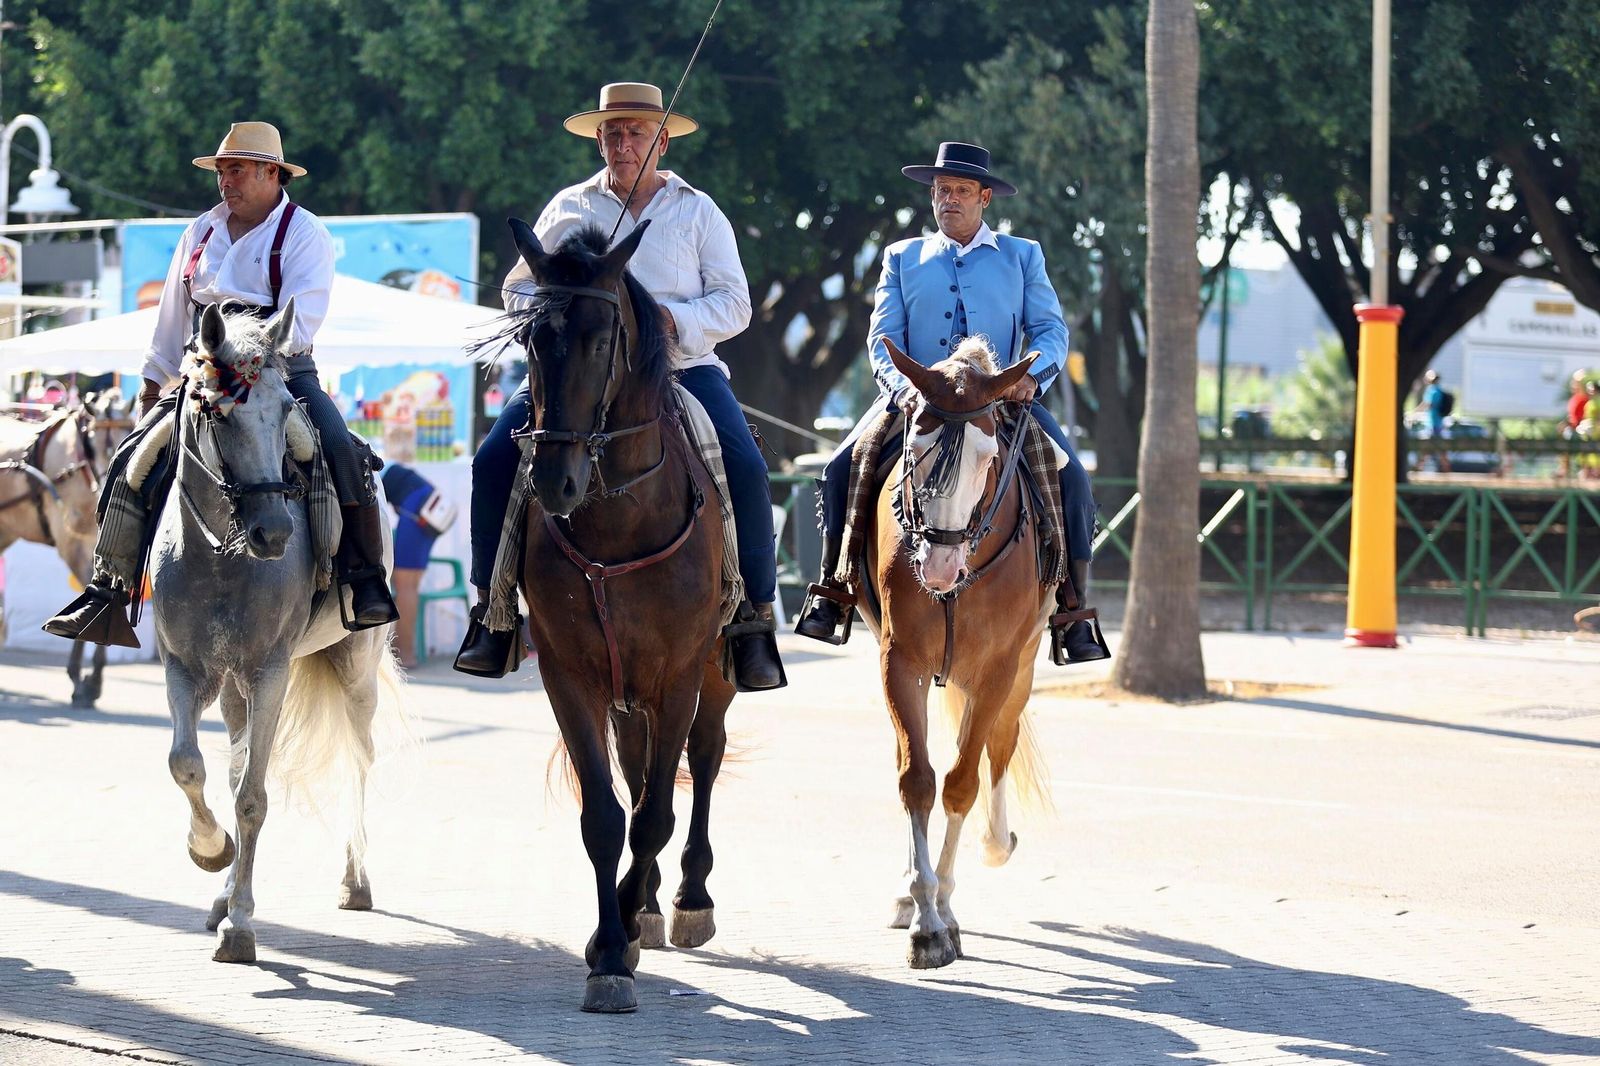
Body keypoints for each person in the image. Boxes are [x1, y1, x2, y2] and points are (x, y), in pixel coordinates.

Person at [453, 82, 785, 689]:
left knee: (744, 464)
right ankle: (494, 612)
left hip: (683, 368)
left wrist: (673, 321)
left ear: (661, 141)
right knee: (494, 456)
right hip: (579, 371)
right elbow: (516, 289)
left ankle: (752, 618)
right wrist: (561, 316)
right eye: (613, 133)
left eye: (635, 133)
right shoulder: (569, 207)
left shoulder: (697, 209)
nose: (623, 143)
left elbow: (736, 303)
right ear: (599, 140)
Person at [43, 122, 398, 646]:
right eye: (221, 170)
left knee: (340, 451)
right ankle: (110, 589)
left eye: (235, 170)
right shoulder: (199, 233)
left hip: (280, 371)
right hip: (202, 371)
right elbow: (171, 320)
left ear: (270, 172)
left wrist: (250, 356)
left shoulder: (304, 232)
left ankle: (363, 581)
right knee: (129, 463)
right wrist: (150, 387)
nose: (224, 181)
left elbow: (301, 321)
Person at [793, 141, 1107, 664]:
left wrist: (1035, 376)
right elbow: (882, 338)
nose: (949, 200)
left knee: (1072, 475)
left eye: (961, 191)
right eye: (941, 191)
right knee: (837, 467)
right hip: (920, 402)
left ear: (985, 198)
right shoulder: (901, 257)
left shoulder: (1022, 255)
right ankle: (833, 591)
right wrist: (904, 391)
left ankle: (1072, 611)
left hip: (1000, 402)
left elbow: (1051, 331)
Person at [381, 461, 453, 668]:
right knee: (407, 587)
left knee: (406, 588)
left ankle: (405, 654)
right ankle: (403, 651)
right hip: (426, 506)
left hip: (417, 509)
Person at [1418, 370, 1452, 473]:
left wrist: (1414, 412)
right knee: (1437, 447)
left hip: (1433, 424)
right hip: (1438, 423)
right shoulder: (1439, 390)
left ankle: (1420, 465)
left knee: (1428, 446)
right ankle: (1445, 466)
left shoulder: (1432, 391)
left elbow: (1427, 404)